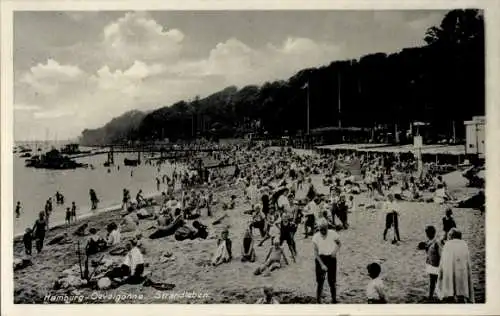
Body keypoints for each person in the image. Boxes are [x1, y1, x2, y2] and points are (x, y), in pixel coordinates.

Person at [437, 229, 474, 303]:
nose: (448, 238)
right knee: (461, 290)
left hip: (449, 272)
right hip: (461, 272)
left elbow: (442, 261)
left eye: (449, 236)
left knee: (449, 290)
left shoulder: (447, 245)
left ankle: (450, 300)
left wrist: (440, 273)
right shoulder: (464, 244)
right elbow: (467, 262)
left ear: (451, 236)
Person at [312, 218, 341, 303]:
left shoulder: (332, 234)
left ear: (327, 227)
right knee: (320, 282)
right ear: (319, 228)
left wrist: (335, 252)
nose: (323, 231)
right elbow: (316, 254)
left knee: (332, 281)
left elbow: (339, 243)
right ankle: (318, 300)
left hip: (331, 259)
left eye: (325, 229)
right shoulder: (316, 237)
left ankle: (334, 299)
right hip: (320, 259)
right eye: (321, 229)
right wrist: (322, 265)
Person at [424, 225, 441, 301]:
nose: (427, 234)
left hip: (436, 264)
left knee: (436, 281)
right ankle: (430, 295)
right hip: (431, 264)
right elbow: (428, 253)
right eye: (426, 233)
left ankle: (439, 295)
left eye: (428, 233)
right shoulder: (428, 241)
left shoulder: (436, 242)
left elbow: (440, 254)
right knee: (432, 281)